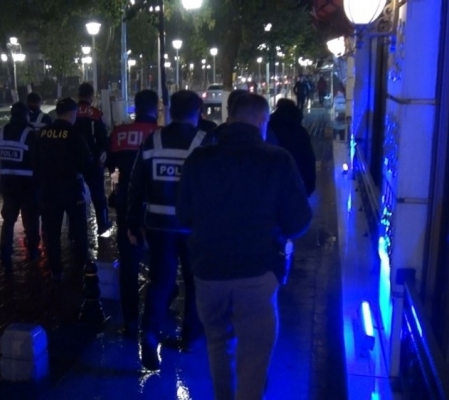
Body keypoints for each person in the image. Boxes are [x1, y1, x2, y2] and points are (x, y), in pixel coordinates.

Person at [176, 93, 312, 400]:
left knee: (217, 345)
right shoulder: (278, 160)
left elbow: (183, 215)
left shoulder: (198, 160)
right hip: (257, 272)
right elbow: (299, 221)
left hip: (208, 272)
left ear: (229, 118)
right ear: (262, 121)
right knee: (254, 357)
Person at [128, 90, 215, 370]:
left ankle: (150, 335)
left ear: (169, 111)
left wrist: (133, 223)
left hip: (158, 226)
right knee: (194, 283)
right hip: (193, 228)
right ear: (198, 112)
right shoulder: (205, 142)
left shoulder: (152, 140)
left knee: (160, 282)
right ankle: (190, 338)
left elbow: (135, 185)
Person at [108, 90, 161, 337]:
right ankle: (156, 313)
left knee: (128, 264)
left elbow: (108, 163)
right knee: (161, 261)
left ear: (135, 107)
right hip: (156, 205)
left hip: (127, 204)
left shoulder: (120, 133)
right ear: (156, 108)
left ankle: (130, 321)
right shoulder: (160, 134)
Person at [33, 98, 92, 281]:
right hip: (71, 188)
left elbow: (34, 160)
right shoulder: (74, 133)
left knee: (52, 232)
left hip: (48, 189)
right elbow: (86, 162)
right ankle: (81, 269)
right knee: (79, 229)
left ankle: (56, 270)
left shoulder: (43, 133)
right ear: (72, 113)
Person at [0, 102, 40, 272]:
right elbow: (36, 159)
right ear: (26, 115)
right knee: (31, 220)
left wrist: (2, 173)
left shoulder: (0, 132)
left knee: (8, 219)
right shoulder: (30, 133)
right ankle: (33, 250)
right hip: (27, 185)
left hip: (7, 184)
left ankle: (5, 251)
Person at [74, 83, 110, 234]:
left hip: (73, 161)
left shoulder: (71, 112)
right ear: (91, 96)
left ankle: (75, 229)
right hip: (93, 160)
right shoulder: (96, 114)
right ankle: (103, 224)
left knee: (75, 196)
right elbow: (103, 139)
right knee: (98, 195)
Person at [269, 99, 317, 197]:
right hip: (296, 181)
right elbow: (308, 158)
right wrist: (310, 185)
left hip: (273, 183)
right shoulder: (300, 131)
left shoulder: (269, 129)